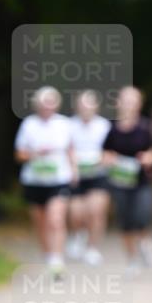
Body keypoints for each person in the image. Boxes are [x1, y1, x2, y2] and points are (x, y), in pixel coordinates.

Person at [14, 86, 76, 276]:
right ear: (37, 105)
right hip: (34, 180)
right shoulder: (29, 125)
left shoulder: (64, 124)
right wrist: (35, 153)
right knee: (40, 223)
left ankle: (57, 260)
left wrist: (74, 171)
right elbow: (19, 154)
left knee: (55, 219)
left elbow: (71, 149)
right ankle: (48, 255)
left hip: (59, 179)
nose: (47, 107)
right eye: (44, 103)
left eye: (51, 103)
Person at [102, 86, 152, 275]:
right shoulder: (111, 128)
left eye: (133, 101)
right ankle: (132, 259)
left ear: (139, 104)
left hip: (142, 181)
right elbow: (104, 152)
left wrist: (149, 158)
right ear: (118, 103)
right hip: (120, 181)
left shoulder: (146, 126)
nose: (129, 105)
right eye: (126, 101)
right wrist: (110, 159)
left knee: (142, 216)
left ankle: (144, 243)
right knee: (125, 222)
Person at [67, 90, 111, 265]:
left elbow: (111, 149)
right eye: (82, 105)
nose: (86, 109)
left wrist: (104, 160)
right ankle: (78, 234)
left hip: (98, 174)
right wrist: (72, 166)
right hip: (75, 175)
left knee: (96, 211)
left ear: (96, 107)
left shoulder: (104, 126)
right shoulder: (69, 125)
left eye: (89, 105)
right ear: (77, 107)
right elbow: (66, 148)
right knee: (76, 213)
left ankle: (92, 248)